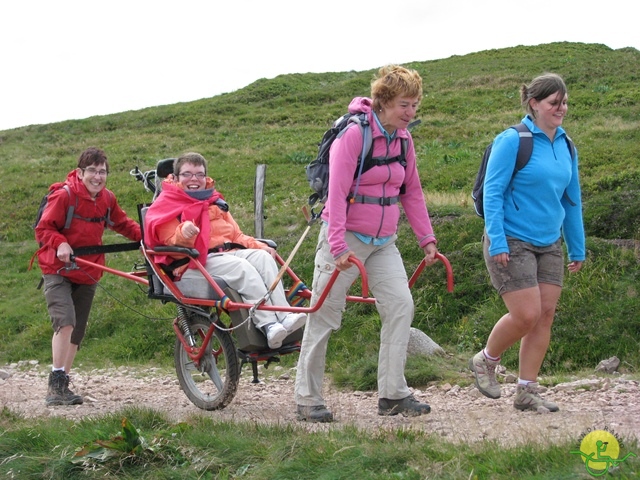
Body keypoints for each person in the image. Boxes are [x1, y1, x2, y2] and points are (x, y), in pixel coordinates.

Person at [294, 65, 440, 422]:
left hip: (383, 242)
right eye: (405, 104)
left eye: (415, 105)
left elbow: (413, 191)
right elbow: (338, 193)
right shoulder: (354, 136)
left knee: (400, 305)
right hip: (343, 239)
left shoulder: (404, 139)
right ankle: (307, 398)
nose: (411, 112)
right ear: (384, 102)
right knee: (325, 316)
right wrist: (338, 246)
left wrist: (427, 238)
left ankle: (393, 394)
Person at [469, 73, 586, 413]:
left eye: (564, 102)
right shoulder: (512, 140)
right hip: (511, 238)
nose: (560, 108)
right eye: (554, 103)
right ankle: (486, 359)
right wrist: (498, 239)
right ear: (534, 104)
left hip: (550, 240)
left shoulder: (566, 145)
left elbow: (571, 198)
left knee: (545, 315)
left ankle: (526, 390)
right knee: (526, 314)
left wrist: (577, 247)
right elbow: (492, 192)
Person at [143, 152, 306, 349]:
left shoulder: (214, 201)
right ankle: (268, 324)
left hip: (227, 253)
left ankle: (285, 315)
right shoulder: (167, 205)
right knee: (242, 268)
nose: (194, 179)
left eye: (199, 174)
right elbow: (170, 244)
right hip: (195, 261)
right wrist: (184, 234)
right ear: (176, 178)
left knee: (263, 258)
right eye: (187, 174)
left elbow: (236, 236)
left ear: (206, 177)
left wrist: (259, 246)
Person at [34, 147, 142, 406]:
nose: (97, 176)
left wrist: (147, 238)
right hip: (57, 270)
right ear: (81, 172)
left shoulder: (107, 199)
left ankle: (64, 386)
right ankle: (55, 385)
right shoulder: (64, 196)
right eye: (92, 171)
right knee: (66, 322)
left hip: (88, 270)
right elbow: (43, 228)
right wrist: (60, 243)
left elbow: (123, 224)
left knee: (77, 331)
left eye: (102, 171)